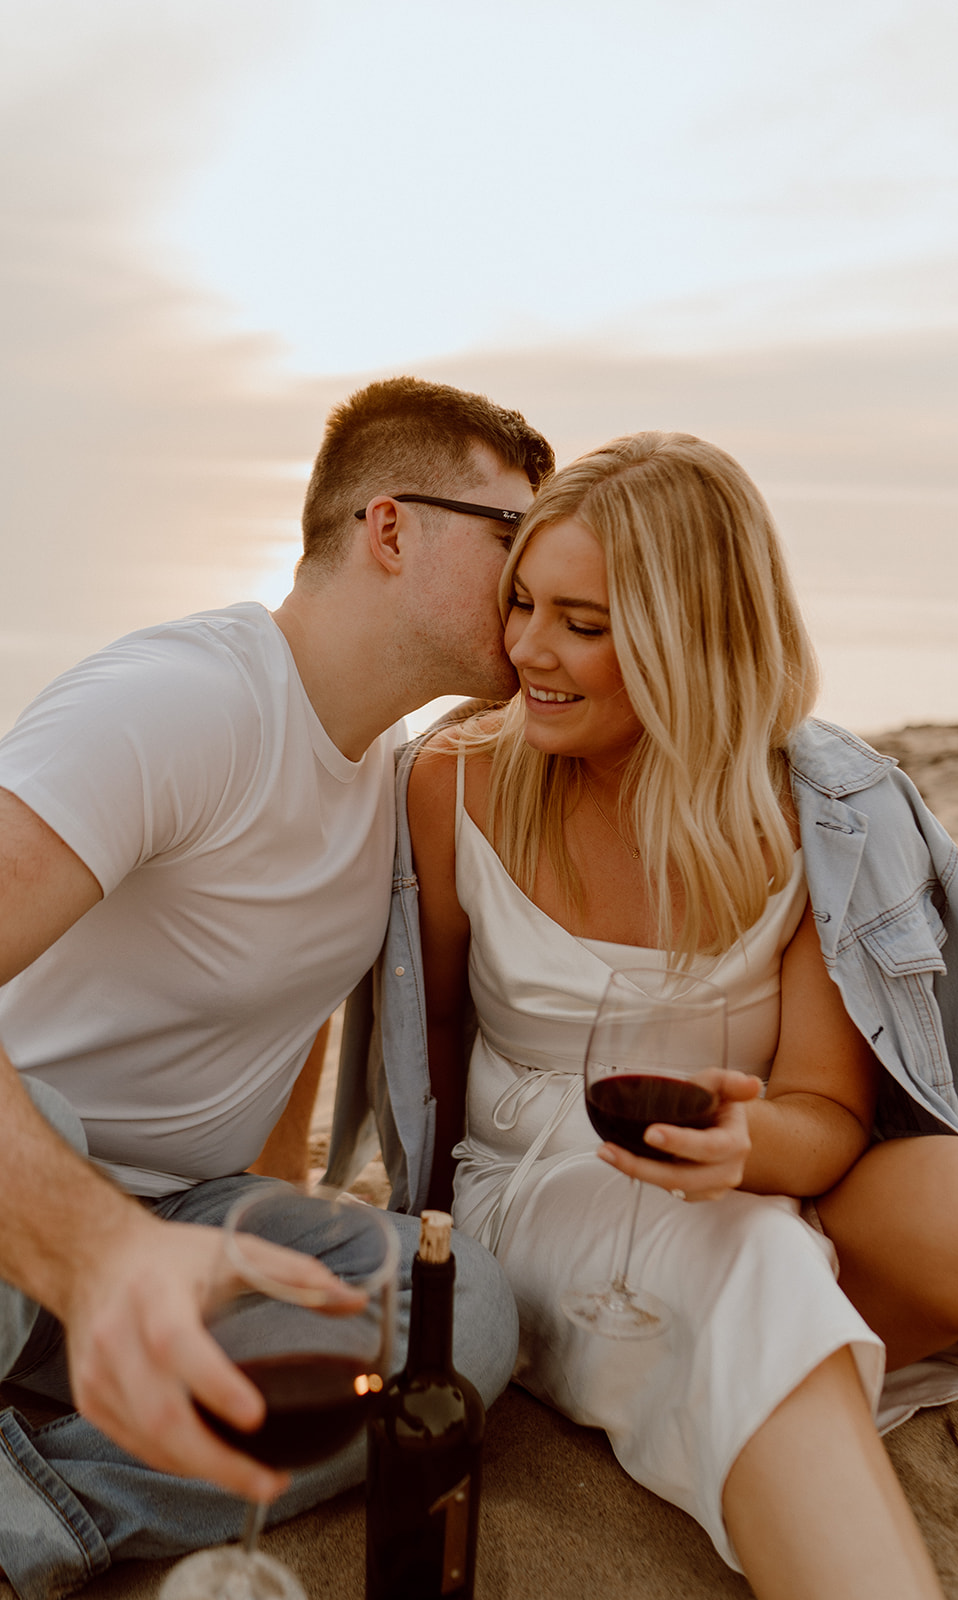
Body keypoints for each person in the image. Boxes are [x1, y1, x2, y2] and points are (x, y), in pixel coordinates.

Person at [382, 430, 958, 1600]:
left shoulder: (820, 814)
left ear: (691, 635)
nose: (524, 652)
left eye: (580, 624)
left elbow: (824, 1114)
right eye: (522, 605)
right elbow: (430, 1072)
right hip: (542, 1196)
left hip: (768, 1185)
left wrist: (750, 1143)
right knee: (748, 1256)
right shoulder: (453, 785)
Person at [0, 376, 553, 1600]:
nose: (535, 579)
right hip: (22, 1195)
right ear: (390, 527)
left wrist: (257, 1226)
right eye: (512, 535)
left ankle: (31, 1516)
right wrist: (95, 1255)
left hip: (175, 1217)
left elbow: (286, 1019)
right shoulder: (181, 702)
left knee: (452, 1321)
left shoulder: (390, 781)